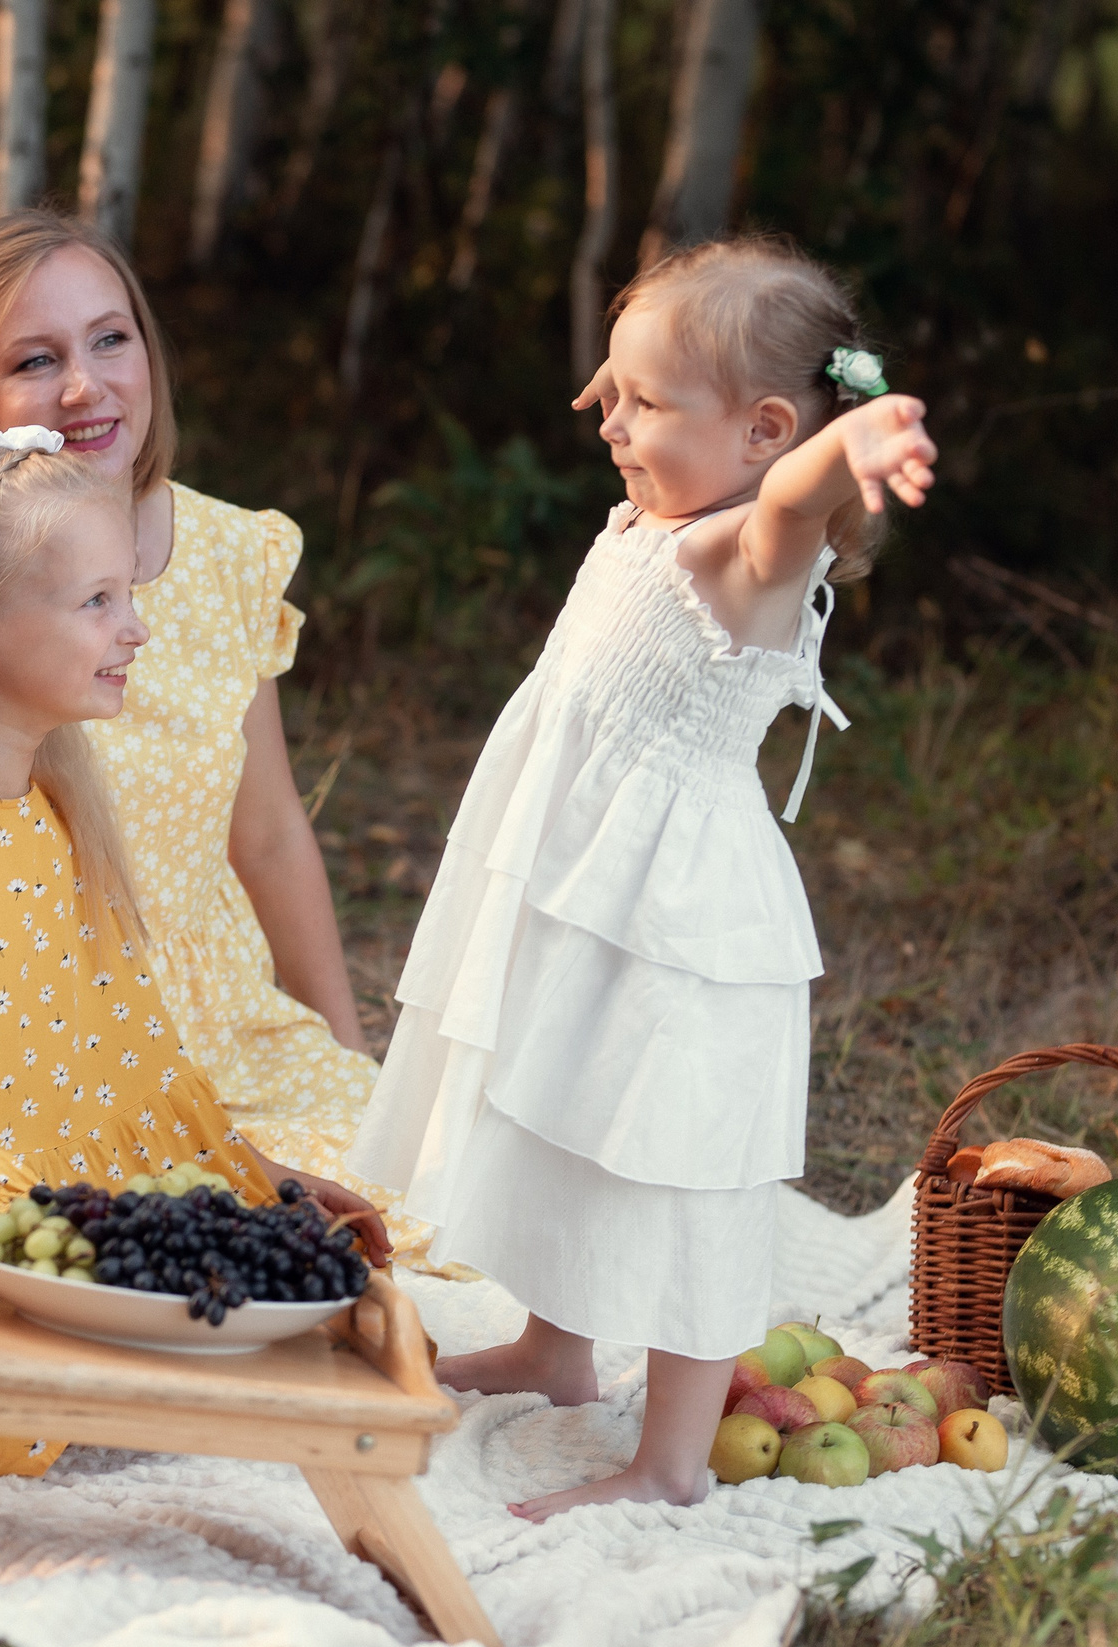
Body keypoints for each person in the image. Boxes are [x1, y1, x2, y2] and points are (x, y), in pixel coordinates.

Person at [349, 237, 939, 1519]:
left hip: (679, 925)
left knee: (671, 1162)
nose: (610, 422)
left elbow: (792, 496)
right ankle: (555, 1348)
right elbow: (697, 441)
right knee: (565, 1096)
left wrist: (865, 435)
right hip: (584, 892)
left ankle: (668, 1461)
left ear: (766, 431)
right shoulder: (658, 514)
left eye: (643, 403)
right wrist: (646, 379)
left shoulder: (748, 550)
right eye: (608, 392)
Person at [0, 211, 444, 1264]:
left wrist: (346, 1055)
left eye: (110, 340)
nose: (85, 387)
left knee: (405, 1204)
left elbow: (265, 834)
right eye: (35, 361)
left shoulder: (229, 552)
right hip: (3, 1030)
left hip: (196, 1035)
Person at [0, 428, 389, 1478]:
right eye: (96, 602)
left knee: (315, 1312)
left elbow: (128, 1064)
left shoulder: (53, 815)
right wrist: (52, 1248)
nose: (134, 630)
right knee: (35, 1430)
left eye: (127, 596)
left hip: (62, 1209)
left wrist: (257, 1186)